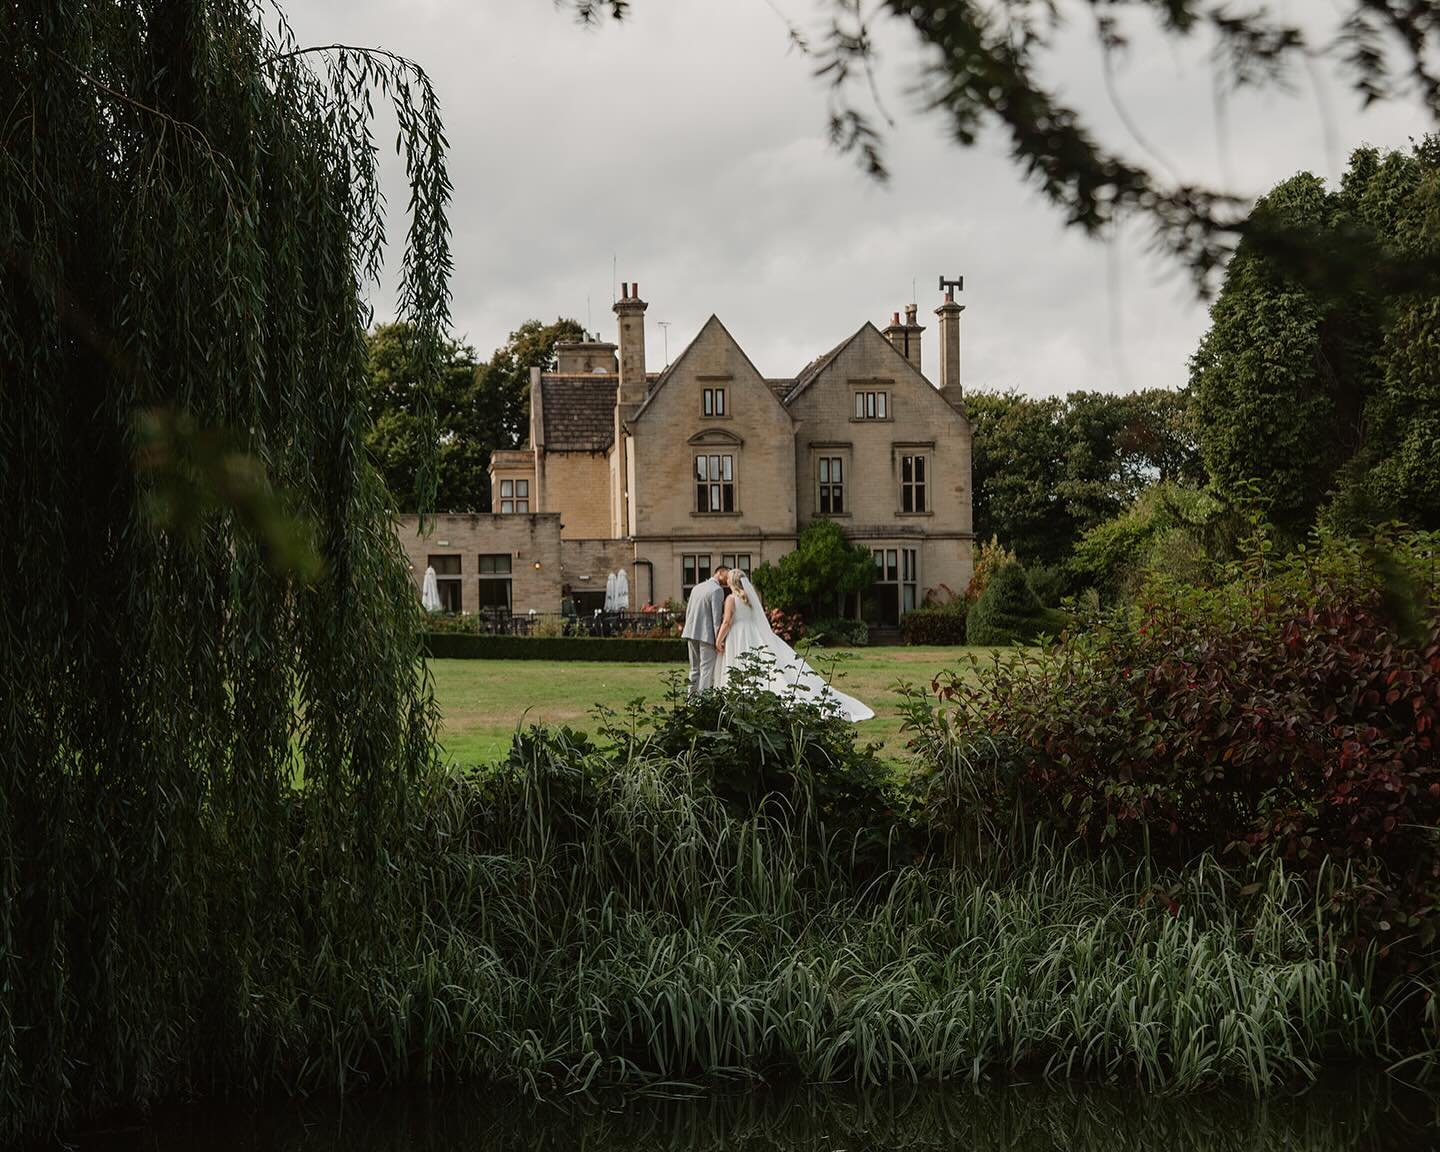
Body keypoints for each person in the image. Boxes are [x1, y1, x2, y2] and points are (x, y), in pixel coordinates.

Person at [714, 570, 874, 722]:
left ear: (732, 582)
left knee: (741, 664)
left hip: (738, 634)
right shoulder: (749, 598)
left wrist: (719, 639)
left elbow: (727, 621)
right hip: (752, 632)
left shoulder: (731, 599)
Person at [681, 565, 730, 697]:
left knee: (694, 669)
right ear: (719, 572)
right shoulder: (717, 590)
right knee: (706, 670)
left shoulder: (697, 587)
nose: (728, 579)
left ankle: (690, 700)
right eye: (727, 575)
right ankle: (702, 703)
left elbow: (689, 611)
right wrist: (719, 640)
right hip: (706, 635)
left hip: (691, 632)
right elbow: (716, 619)